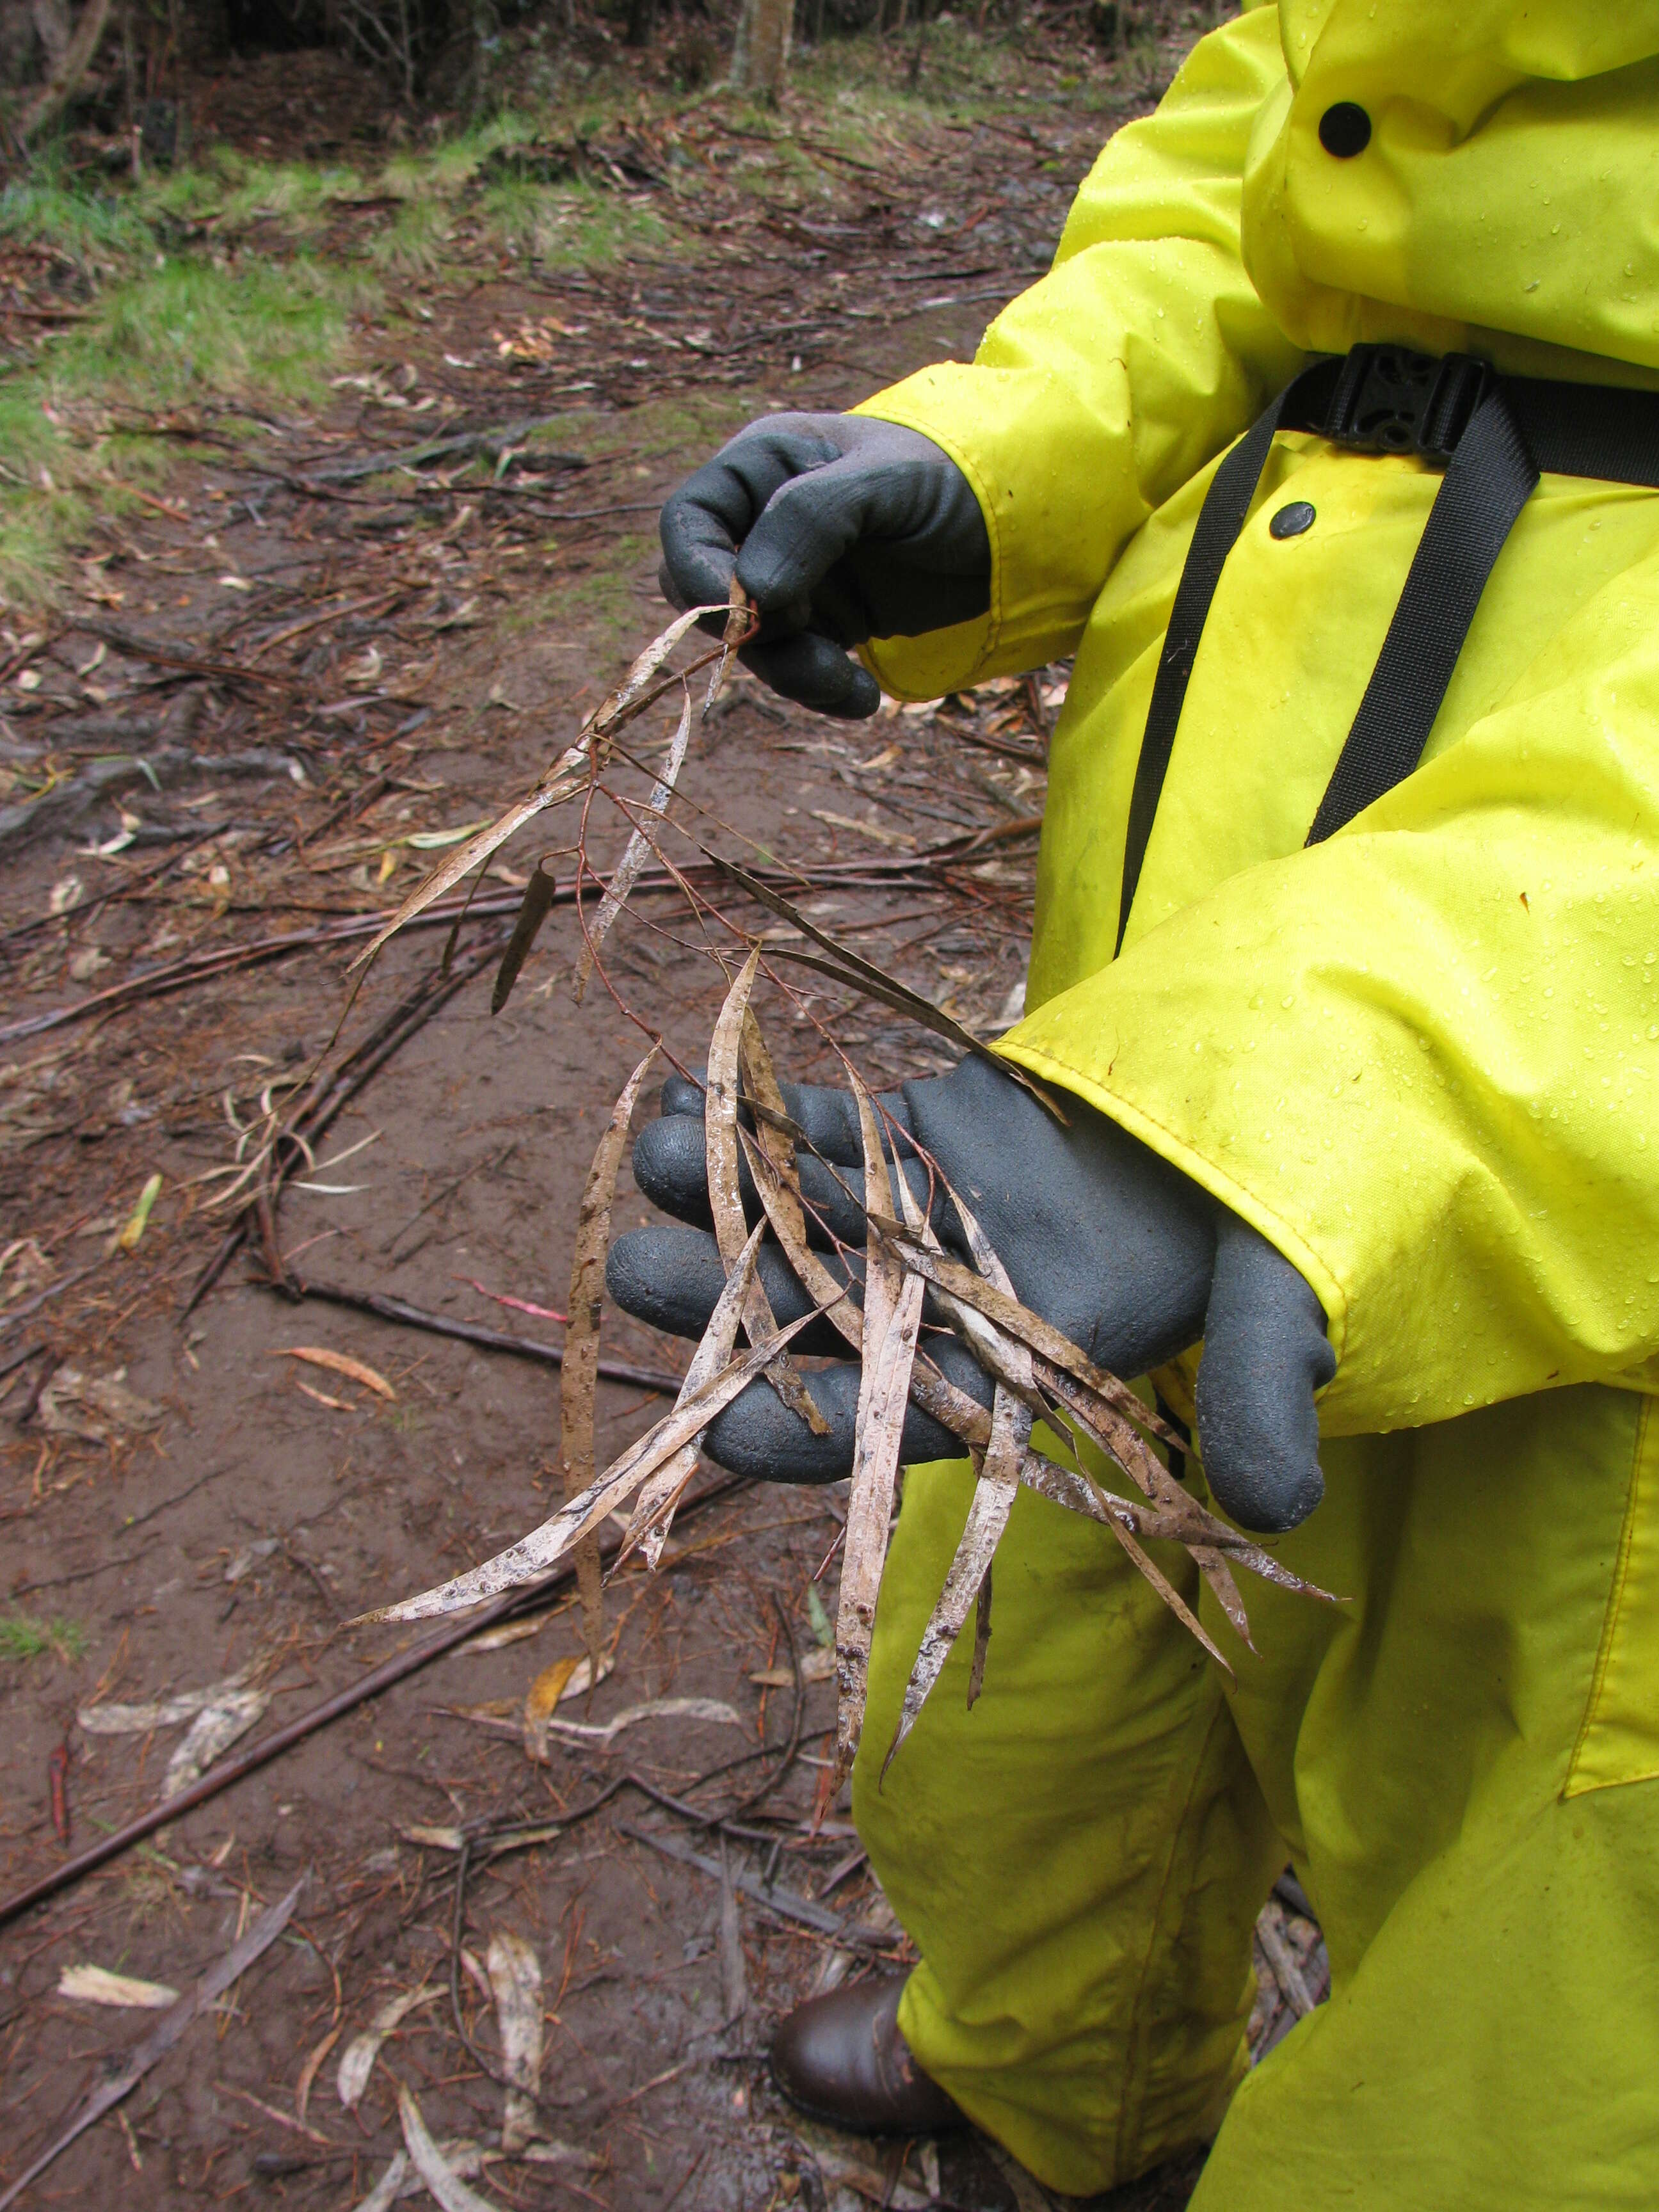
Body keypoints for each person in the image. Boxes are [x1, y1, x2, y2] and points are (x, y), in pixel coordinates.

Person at [607, 6, 1659, 2203]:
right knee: (1019, 1652)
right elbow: (1244, 215)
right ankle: (1044, 2067)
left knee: (1531, 1939)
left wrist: (1348, 1077)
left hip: (1591, 1115)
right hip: (1152, 993)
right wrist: (1001, 465)